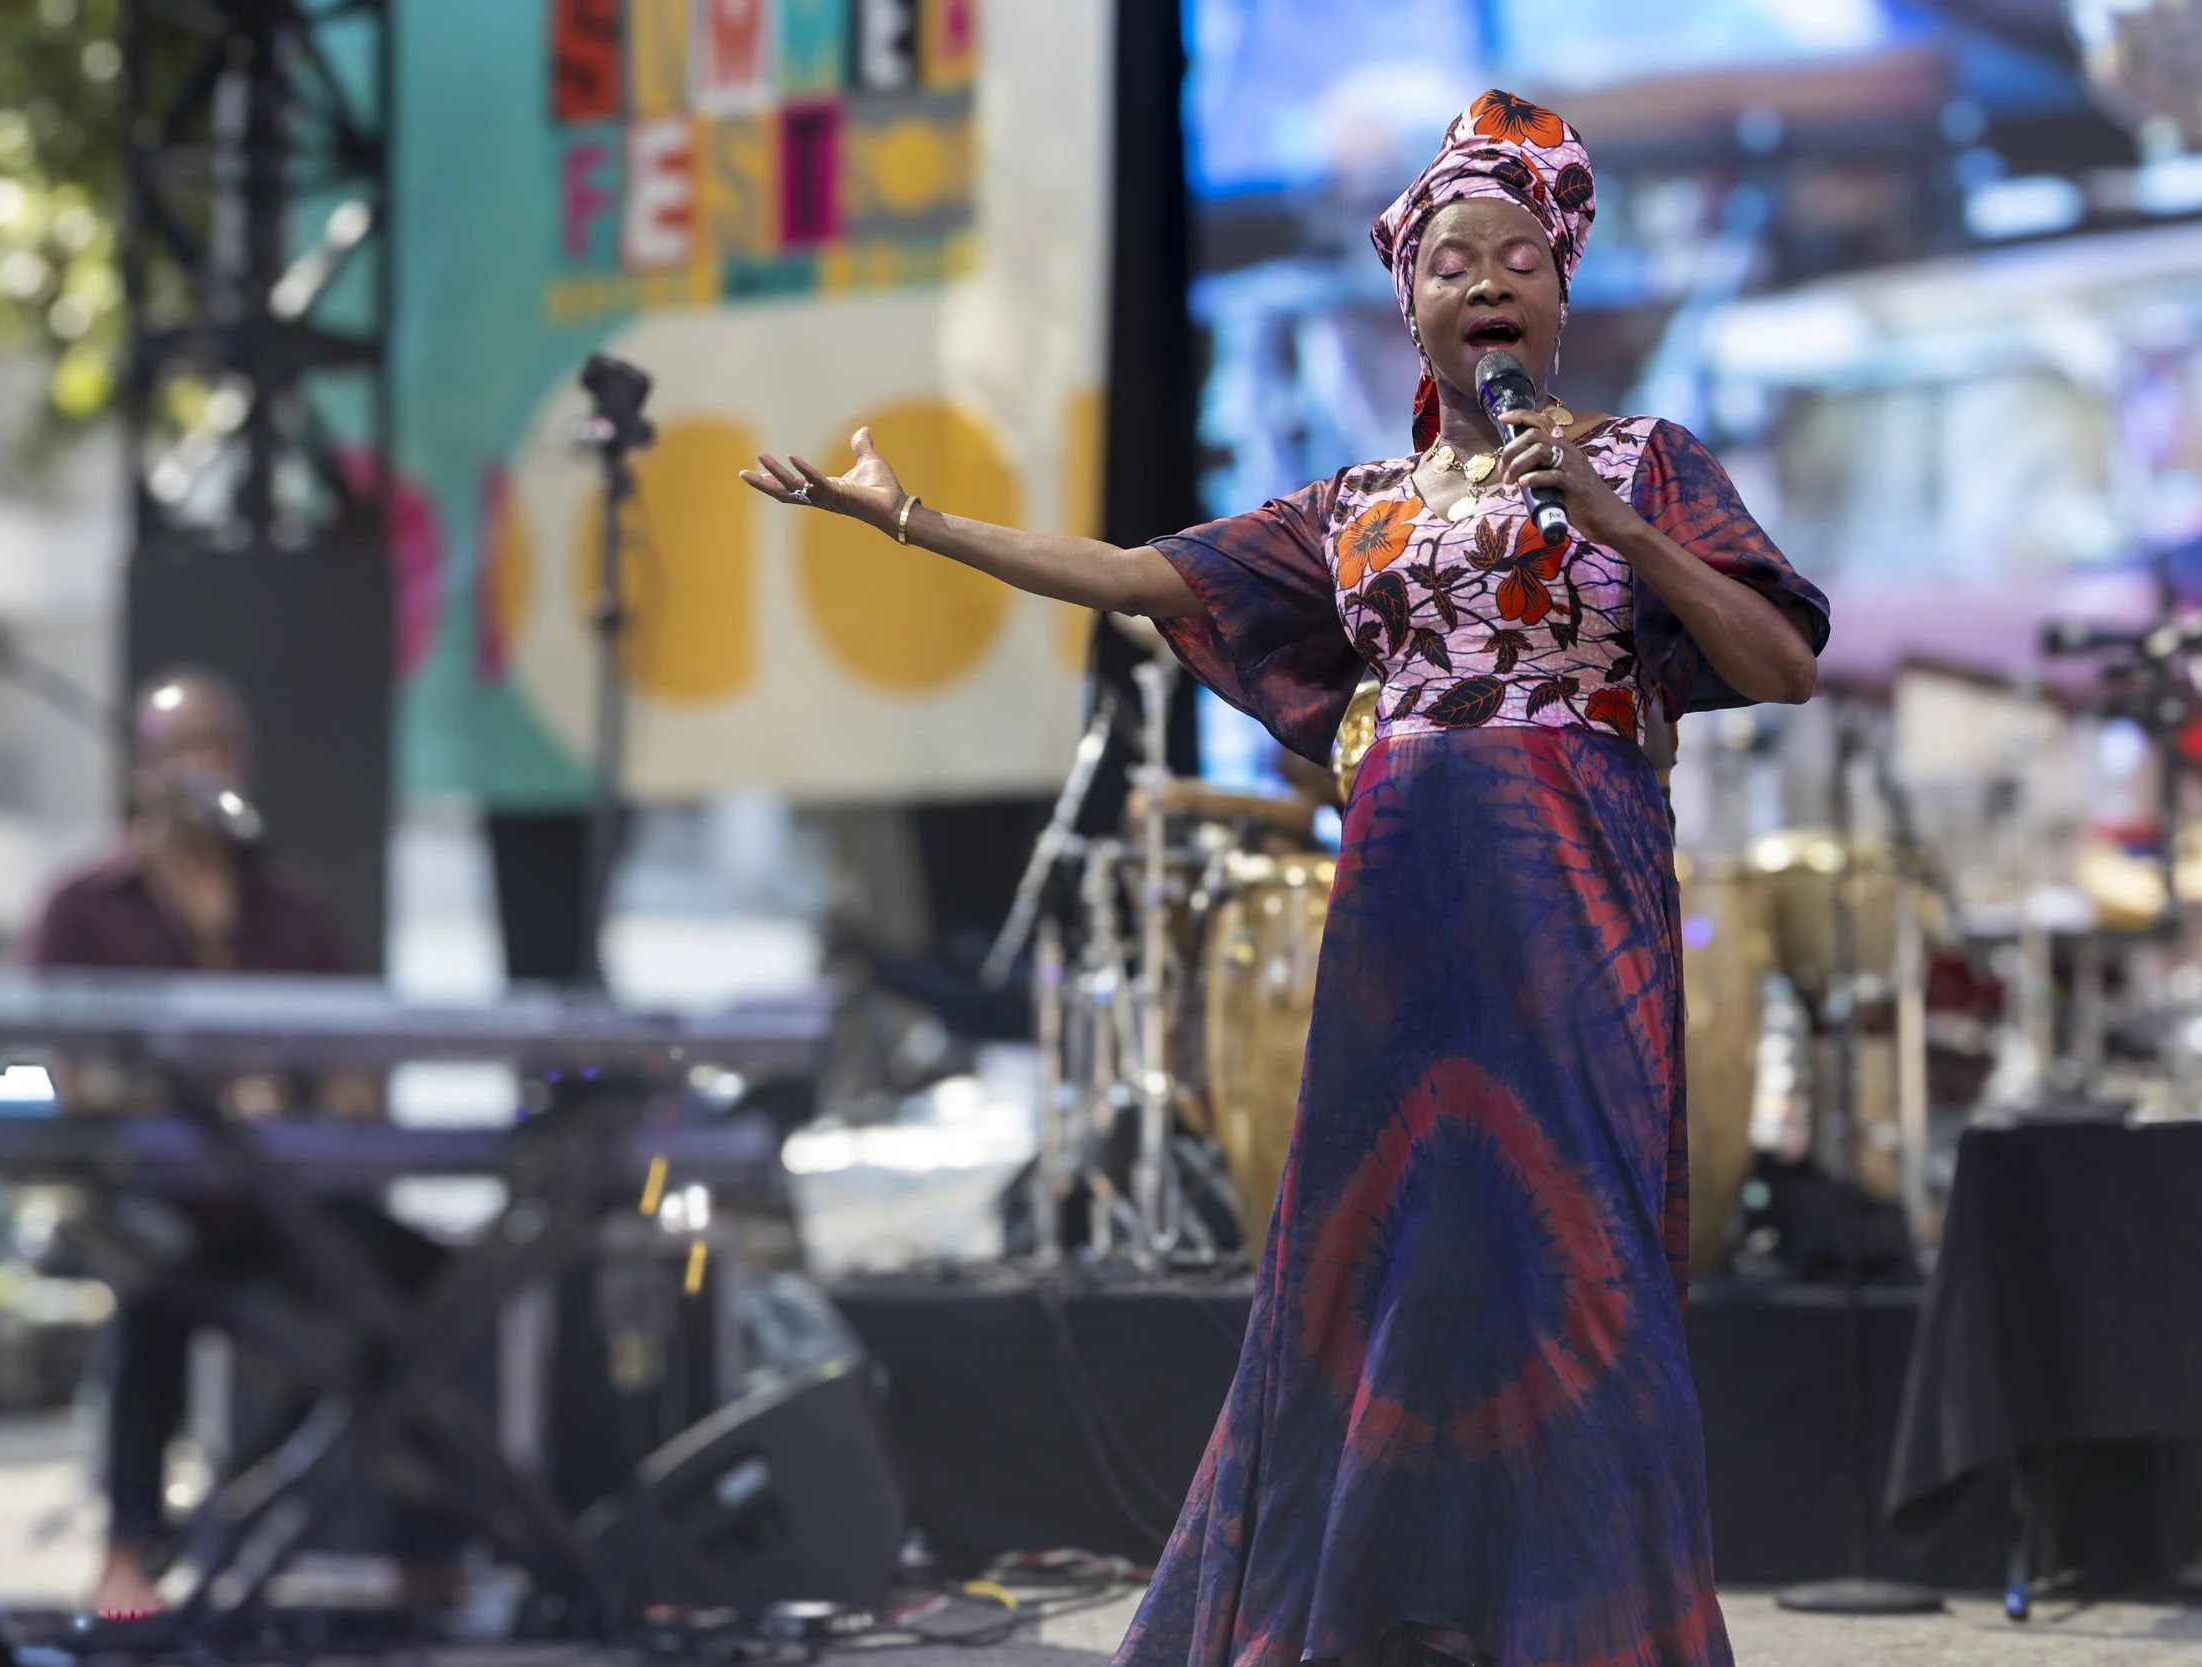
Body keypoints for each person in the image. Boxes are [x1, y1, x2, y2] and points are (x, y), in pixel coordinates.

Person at [747, 91, 1827, 1667]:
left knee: (1575, 1238)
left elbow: (1781, 661)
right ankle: (1384, 1605)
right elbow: (1130, 576)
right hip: (1400, 895)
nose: (1487, 277)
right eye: (1453, 256)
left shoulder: (1647, 462)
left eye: (1519, 253)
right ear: (1409, 298)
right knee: (1380, 1241)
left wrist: (1613, 526)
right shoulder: (1348, 510)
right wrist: (910, 522)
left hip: (1576, 884)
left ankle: (1596, 1624)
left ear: (1562, 288)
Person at [26, 671, 438, 1621]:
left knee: (424, 1281)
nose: (202, 766)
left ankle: (387, 1530)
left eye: (220, 745)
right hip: (150, 1193)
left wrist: (306, 1094)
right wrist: (200, 1090)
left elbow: (357, 1079)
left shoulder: (294, 908)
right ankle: (130, 1543)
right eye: (182, 745)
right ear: (141, 766)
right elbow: (63, 1076)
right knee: (156, 1286)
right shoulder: (83, 904)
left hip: (283, 1198)